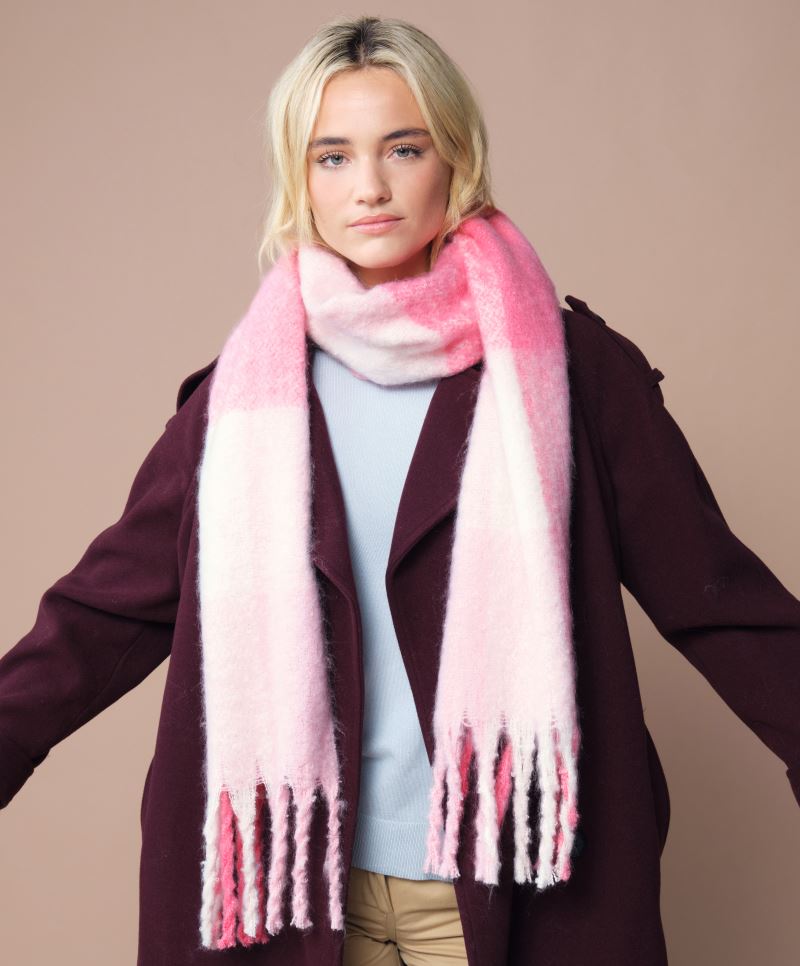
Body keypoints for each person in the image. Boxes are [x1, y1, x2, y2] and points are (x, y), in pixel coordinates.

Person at [1, 14, 798, 966]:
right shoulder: (245, 397)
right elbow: (102, 615)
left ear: (455, 157)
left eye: (403, 148)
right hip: (300, 897)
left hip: (509, 888)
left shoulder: (572, 373)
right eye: (332, 156)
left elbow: (718, 600)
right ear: (298, 177)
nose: (368, 186)